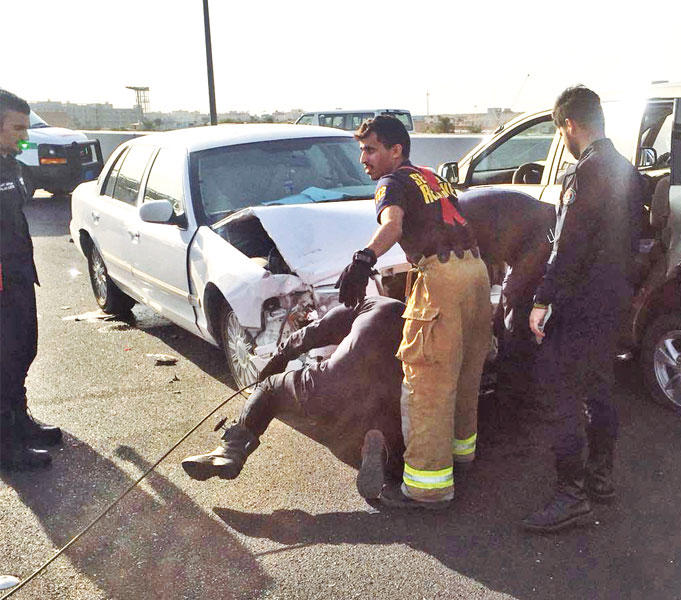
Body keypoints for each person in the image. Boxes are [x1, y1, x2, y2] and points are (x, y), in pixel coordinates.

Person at [336, 115, 492, 510]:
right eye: (361, 151)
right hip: (476, 274)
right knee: (465, 372)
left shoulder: (391, 184)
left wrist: (363, 259)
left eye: (371, 150)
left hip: (442, 279)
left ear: (396, 151)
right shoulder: (433, 177)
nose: (364, 160)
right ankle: (461, 456)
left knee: (426, 381)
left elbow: (392, 224)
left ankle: (427, 487)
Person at [523, 86, 646, 533]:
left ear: (569, 125)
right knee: (599, 387)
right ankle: (600, 479)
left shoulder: (586, 172)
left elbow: (568, 247)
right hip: (613, 297)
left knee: (560, 395)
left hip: (579, 303)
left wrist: (542, 299)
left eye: (562, 131)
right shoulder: (628, 170)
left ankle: (570, 496)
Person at [182, 296, 407, 500]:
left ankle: (231, 450)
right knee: (384, 425)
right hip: (396, 397)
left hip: (336, 380)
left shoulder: (368, 304)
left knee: (271, 390)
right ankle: (390, 461)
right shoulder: (417, 323)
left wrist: (276, 364)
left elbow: (310, 335)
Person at [0, 89, 63, 471]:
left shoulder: (10, 163)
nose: (24, 136)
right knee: (3, 359)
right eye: (16, 128)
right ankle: (6, 445)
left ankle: (19, 422)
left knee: (23, 349)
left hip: (19, 274)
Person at [457, 188, 553, 408]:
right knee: (507, 304)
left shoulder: (454, 226)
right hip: (525, 234)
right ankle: (513, 362)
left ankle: (513, 389)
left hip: (539, 234)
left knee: (512, 298)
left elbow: (480, 278)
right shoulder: (459, 212)